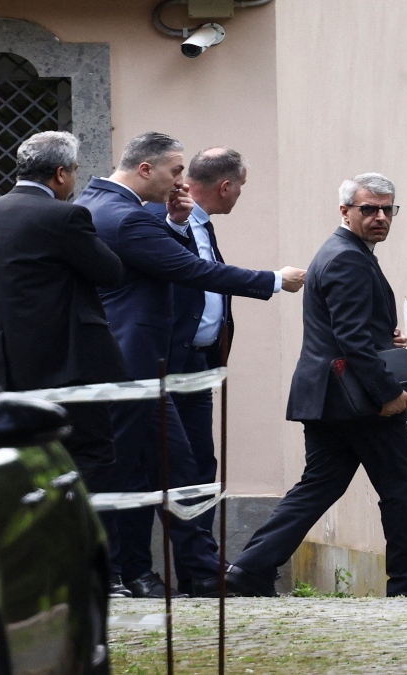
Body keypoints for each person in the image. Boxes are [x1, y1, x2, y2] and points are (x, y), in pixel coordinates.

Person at [73, 132, 305, 599]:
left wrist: (177, 223)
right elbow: (192, 270)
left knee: (177, 468)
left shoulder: (109, 206)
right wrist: (273, 281)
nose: (184, 180)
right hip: (134, 367)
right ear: (146, 170)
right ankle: (122, 573)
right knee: (139, 471)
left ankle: (177, 571)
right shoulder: (124, 216)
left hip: (149, 369)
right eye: (177, 171)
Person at [226, 172, 407, 599]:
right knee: (402, 486)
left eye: (387, 209)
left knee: (319, 484)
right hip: (358, 398)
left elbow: (349, 329)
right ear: (345, 211)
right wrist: (389, 394)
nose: (380, 216)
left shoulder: (348, 252)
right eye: (369, 209)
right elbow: (352, 339)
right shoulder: (346, 257)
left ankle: (249, 569)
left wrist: (385, 339)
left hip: (330, 396)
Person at [0, 131, 125, 491]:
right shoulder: (65, 217)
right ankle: (75, 533)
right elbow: (110, 272)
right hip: (62, 365)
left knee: (9, 458)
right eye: (75, 171)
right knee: (90, 454)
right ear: (61, 174)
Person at [150, 147, 254, 536]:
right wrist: (273, 281)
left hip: (200, 363)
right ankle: (178, 563)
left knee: (200, 464)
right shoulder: (161, 219)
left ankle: (201, 563)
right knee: (170, 465)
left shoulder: (201, 222)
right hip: (168, 362)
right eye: (241, 186)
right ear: (226, 186)